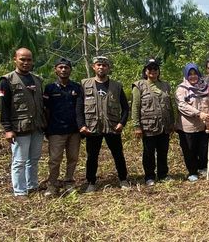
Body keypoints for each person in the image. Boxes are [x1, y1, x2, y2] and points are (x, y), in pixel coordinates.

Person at [77, 56, 130, 192]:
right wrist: (81, 125)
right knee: (92, 156)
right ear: (93, 67)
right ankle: (91, 182)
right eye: (98, 65)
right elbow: (79, 107)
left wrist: (122, 123)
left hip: (112, 126)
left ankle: (123, 179)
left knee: (118, 154)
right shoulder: (84, 84)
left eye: (104, 65)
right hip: (92, 127)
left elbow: (125, 107)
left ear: (108, 68)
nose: (101, 67)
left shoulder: (116, 86)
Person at [0, 48, 46, 198]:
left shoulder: (37, 80)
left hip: (37, 126)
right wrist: (7, 129)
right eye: (22, 59)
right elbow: (3, 106)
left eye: (29, 60)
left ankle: (32, 185)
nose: (26, 63)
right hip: (20, 127)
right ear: (15, 59)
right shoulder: (7, 80)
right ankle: (19, 191)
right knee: (19, 161)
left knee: (34, 159)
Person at [131, 59, 174, 186]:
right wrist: (137, 126)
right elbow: (135, 106)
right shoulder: (139, 85)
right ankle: (149, 176)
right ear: (145, 71)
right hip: (148, 125)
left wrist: (172, 122)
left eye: (155, 69)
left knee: (163, 151)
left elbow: (169, 105)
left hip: (164, 125)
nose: (153, 71)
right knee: (149, 152)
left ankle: (163, 174)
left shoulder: (165, 85)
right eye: (150, 69)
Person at [43, 58, 82, 196]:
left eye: (66, 67)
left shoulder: (76, 87)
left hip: (74, 131)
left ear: (70, 70)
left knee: (73, 158)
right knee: (54, 160)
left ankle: (69, 182)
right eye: (60, 67)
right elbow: (46, 110)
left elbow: (80, 109)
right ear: (56, 70)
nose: (64, 70)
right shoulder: (49, 88)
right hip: (56, 130)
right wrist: (46, 129)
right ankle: (52, 185)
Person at [175, 63, 209, 182]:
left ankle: (202, 167)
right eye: (190, 74)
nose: (193, 76)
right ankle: (192, 171)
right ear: (186, 75)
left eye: (194, 73)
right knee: (189, 149)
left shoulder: (204, 86)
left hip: (203, 125)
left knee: (203, 148)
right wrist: (198, 113)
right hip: (188, 126)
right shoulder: (181, 89)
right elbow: (182, 105)